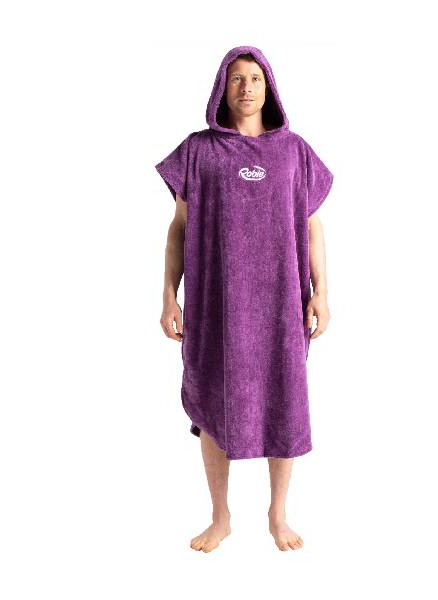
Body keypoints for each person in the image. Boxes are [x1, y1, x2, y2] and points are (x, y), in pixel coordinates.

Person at [155, 46, 334, 552]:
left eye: (255, 78)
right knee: (213, 398)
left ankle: (278, 515)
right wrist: (169, 296)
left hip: (281, 304)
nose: (247, 87)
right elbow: (178, 229)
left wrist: (322, 292)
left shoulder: (294, 151)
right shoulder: (198, 151)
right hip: (216, 305)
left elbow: (312, 227)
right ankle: (220, 517)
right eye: (237, 78)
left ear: (268, 87)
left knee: (285, 400)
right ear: (222, 86)